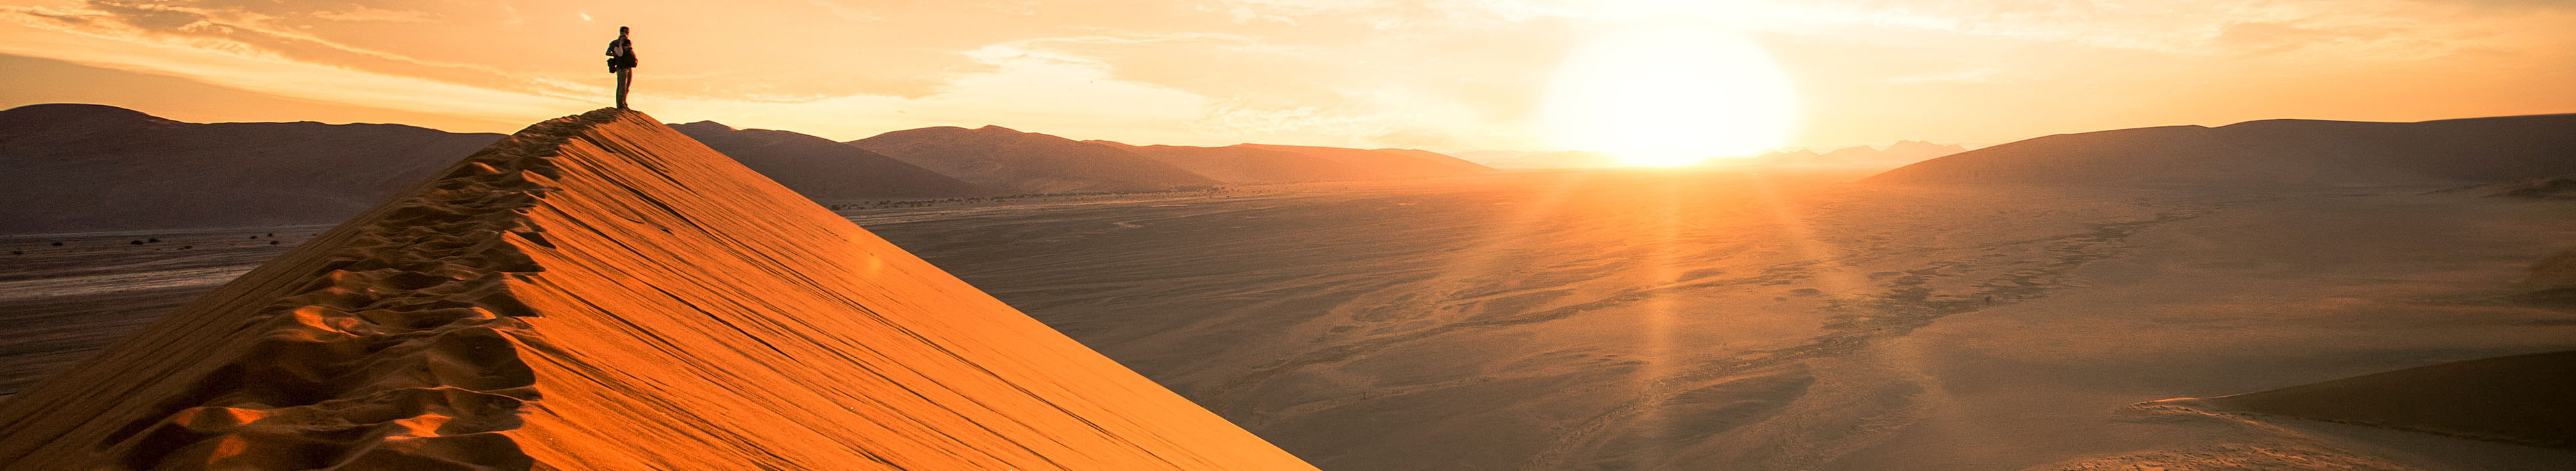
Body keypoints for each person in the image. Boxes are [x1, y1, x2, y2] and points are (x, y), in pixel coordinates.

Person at [606, 27, 638, 108]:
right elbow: (608, 53)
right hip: (621, 67)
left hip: (628, 67)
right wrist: (616, 54)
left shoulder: (627, 43)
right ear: (620, 32)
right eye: (625, 32)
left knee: (627, 87)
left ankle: (624, 103)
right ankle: (620, 105)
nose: (626, 34)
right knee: (622, 87)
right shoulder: (615, 43)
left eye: (627, 32)